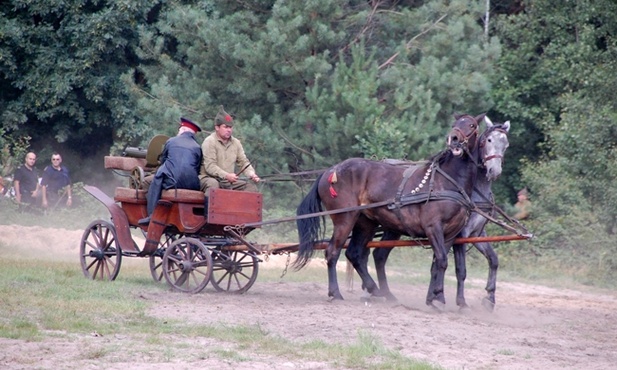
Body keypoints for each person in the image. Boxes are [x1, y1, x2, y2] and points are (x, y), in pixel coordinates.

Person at [139, 117, 203, 225]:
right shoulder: (197, 147)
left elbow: (163, 161)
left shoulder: (171, 141)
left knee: (153, 181)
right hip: (193, 185)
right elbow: (197, 168)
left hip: (173, 182)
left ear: (182, 130)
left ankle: (152, 215)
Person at [200, 105, 260, 196]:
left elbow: (243, 162)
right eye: (225, 127)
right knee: (213, 185)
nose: (229, 130)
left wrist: (251, 174)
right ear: (217, 127)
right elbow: (210, 166)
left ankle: (238, 210)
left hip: (226, 181)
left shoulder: (236, 143)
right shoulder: (209, 142)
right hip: (209, 178)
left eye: (230, 127)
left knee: (251, 188)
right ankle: (209, 210)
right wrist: (227, 175)